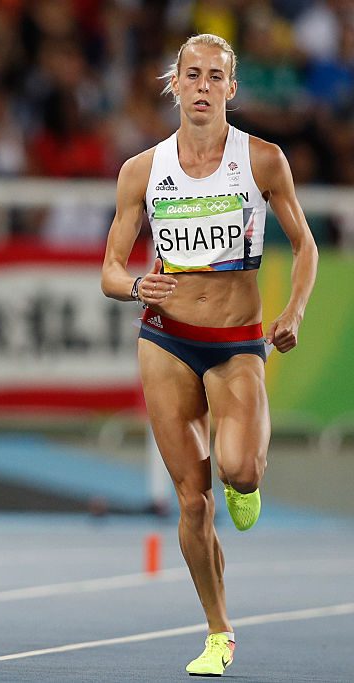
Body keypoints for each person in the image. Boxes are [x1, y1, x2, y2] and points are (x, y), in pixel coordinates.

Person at [100, 34, 317, 676]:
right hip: (166, 341)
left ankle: (243, 478)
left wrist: (294, 313)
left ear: (231, 87)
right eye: (189, 75)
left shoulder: (263, 160)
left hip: (235, 345)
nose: (200, 86)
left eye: (213, 76)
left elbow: (305, 246)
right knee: (192, 501)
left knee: (239, 473)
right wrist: (138, 285)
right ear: (175, 84)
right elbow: (110, 269)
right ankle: (218, 630)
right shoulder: (142, 170)